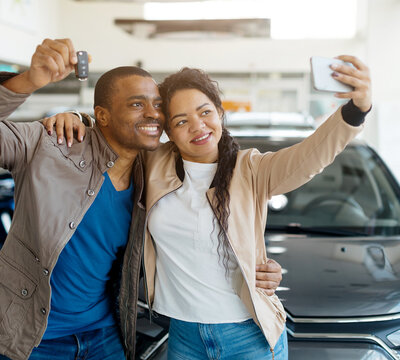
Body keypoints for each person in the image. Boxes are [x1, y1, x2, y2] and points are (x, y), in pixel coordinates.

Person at [0, 38, 282, 360]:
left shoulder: (155, 171)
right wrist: (30, 80)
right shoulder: (49, 145)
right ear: (102, 116)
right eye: (136, 104)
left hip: (105, 335)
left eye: (157, 105)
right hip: (34, 336)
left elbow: (198, 233)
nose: (153, 114)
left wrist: (257, 268)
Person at [47, 57, 371, 359]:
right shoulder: (152, 163)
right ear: (169, 131)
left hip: (250, 337)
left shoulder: (252, 170)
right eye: (181, 120)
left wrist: (355, 111)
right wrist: (78, 118)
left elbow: (309, 157)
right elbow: (118, 133)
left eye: (205, 112)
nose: (198, 127)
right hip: (184, 337)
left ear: (219, 113)